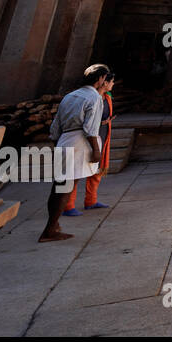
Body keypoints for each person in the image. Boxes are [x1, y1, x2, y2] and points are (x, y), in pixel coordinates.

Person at [40, 64, 112, 242]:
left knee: (59, 186)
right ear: (101, 79)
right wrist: (96, 150)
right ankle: (50, 229)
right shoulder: (94, 97)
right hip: (80, 141)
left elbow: (55, 127)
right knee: (66, 187)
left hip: (64, 140)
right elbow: (90, 128)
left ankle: (53, 225)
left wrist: (59, 144)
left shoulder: (70, 96)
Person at [61, 75, 116, 216]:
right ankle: (68, 205)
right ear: (103, 81)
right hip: (84, 137)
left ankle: (91, 200)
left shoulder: (107, 98)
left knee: (96, 170)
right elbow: (85, 121)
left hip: (101, 134)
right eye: (111, 81)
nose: (113, 84)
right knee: (76, 171)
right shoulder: (89, 98)